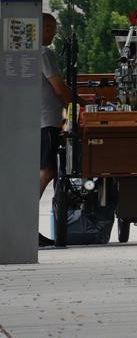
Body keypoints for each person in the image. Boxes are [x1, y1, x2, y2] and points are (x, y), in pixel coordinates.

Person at [38, 13, 67, 247]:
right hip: (47, 120)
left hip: (39, 119)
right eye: (52, 29)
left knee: (45, 172)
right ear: (43, 28)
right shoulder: (44, 53)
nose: (54, 34)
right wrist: (78, 102)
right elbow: (59, 88)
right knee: (46, 171)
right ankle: (27, 225)